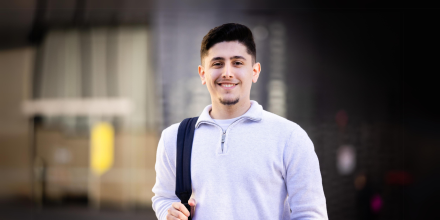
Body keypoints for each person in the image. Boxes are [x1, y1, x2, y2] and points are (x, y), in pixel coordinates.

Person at [152, 23, 328, 220]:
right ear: (203, 73)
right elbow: (163, 198)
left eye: (237, 63)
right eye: (217, 63)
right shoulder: (175, 138)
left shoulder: (290, 137)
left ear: (255, 71)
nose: (227, 72)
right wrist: (169, 212)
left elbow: (310, 214)